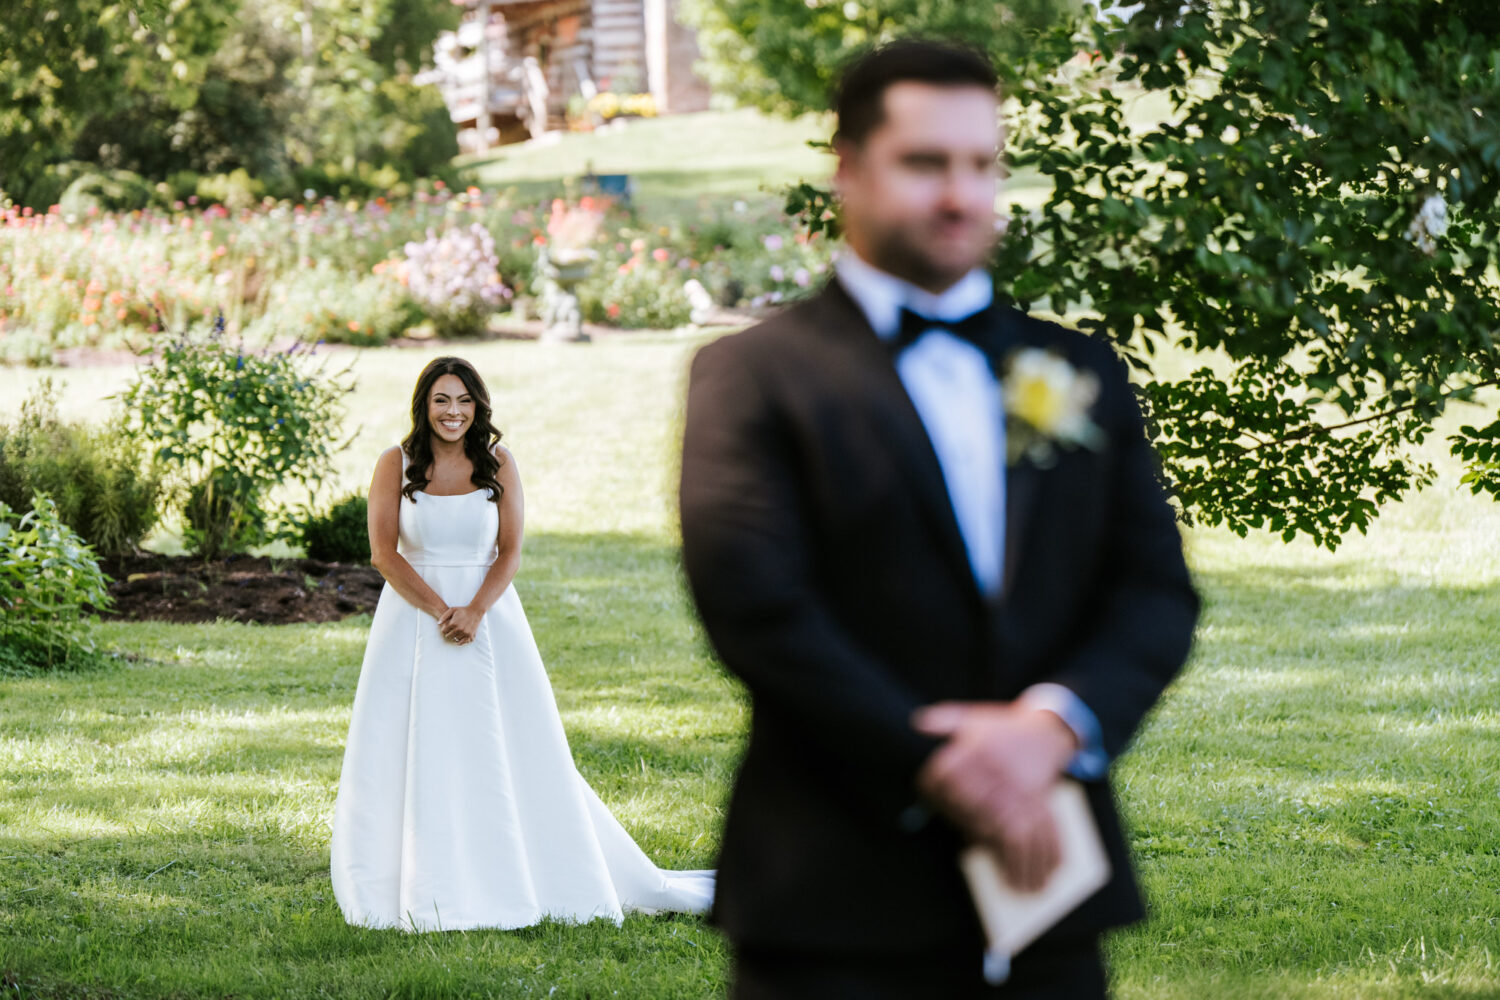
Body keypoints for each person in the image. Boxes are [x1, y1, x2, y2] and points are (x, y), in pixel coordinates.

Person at [678, 39, 1198, 998]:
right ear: (848, 169)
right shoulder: (754, 378)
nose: (961, 195)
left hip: (1049, 893)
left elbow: (1156, 593)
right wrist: (938, 762)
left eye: (980, 165)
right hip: (834, 898)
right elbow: (757, 608)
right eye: (926, 164)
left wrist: (1048, 732)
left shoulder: (1077, 371)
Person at [331, 355, 713, 932]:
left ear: (478, 406)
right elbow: (385, 553)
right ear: (423, 405)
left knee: (505, 742)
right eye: (441, 400)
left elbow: (509, 551)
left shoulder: (500, 463)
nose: (453, 412)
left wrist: (475, 610)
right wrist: (441, 610)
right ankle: (412, 875)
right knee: (411, 739)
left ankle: (519, 867)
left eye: (463, 401)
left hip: (490, 620)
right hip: (413, 621)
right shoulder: (396, 463)